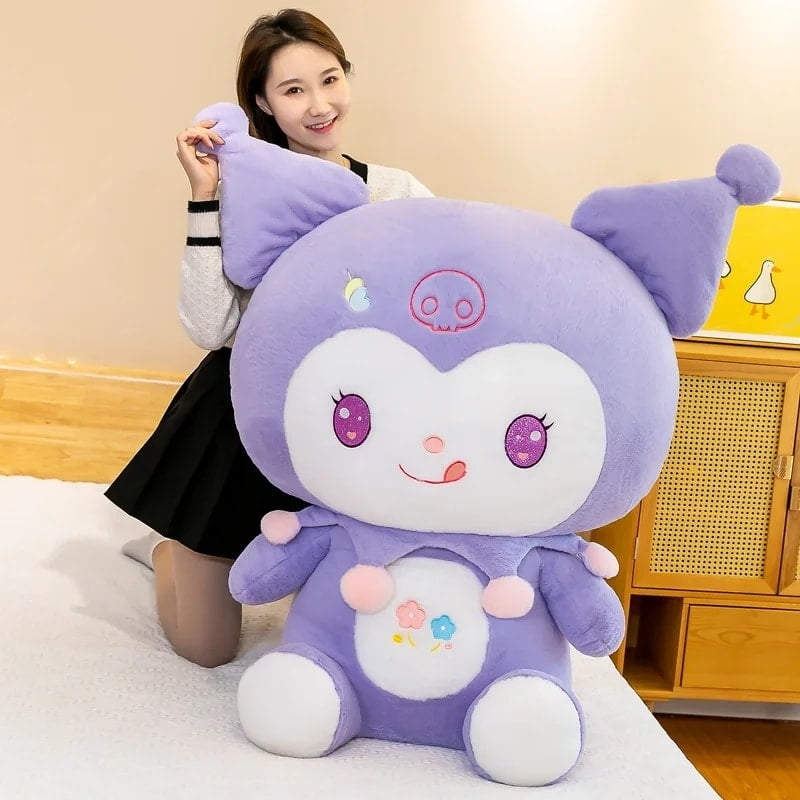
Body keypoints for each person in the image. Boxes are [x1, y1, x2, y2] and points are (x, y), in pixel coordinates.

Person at [105, 8, 433, 668]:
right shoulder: (240, 192)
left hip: (353, 420)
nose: (320, 105)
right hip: (244, 412)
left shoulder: (397, 192)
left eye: (330, 79)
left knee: (357, 622)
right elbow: (210, 328)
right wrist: (204, 196)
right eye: (293, 90)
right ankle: (169, 550)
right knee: (206, 649)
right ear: (262, 103)